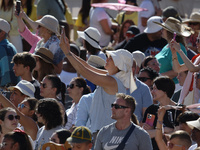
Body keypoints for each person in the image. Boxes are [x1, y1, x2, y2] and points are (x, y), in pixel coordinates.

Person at [60, 30, 134, 136]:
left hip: (106, 135)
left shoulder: (112, 81)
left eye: (111, 59)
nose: (106, 60)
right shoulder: (113, 77)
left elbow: (84, 71)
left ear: (118, 65)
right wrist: (68, 51)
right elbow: (87, 66)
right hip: (102, 133)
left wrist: (67, 52)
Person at [142, 76, 183, 150]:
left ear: (165, 91)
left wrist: (156, 131)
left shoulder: (179, 110)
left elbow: (179, 135)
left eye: (155, 89)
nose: (152, 92)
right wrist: (166, 130)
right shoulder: (152, 110)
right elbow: (146, 134)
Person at [155, 17, 190, 88]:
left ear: (169, 32)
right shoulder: (167, 46)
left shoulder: (178, 47)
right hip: (164, 86)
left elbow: (178, 71)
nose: (161, 30)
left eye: (163, 28)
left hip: (174, 87)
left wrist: (158, 76)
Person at [0, 18, 19, 87]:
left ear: (2, 33)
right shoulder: (9, 46)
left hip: (5, 93)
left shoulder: (3, 48)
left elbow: (8, 80)